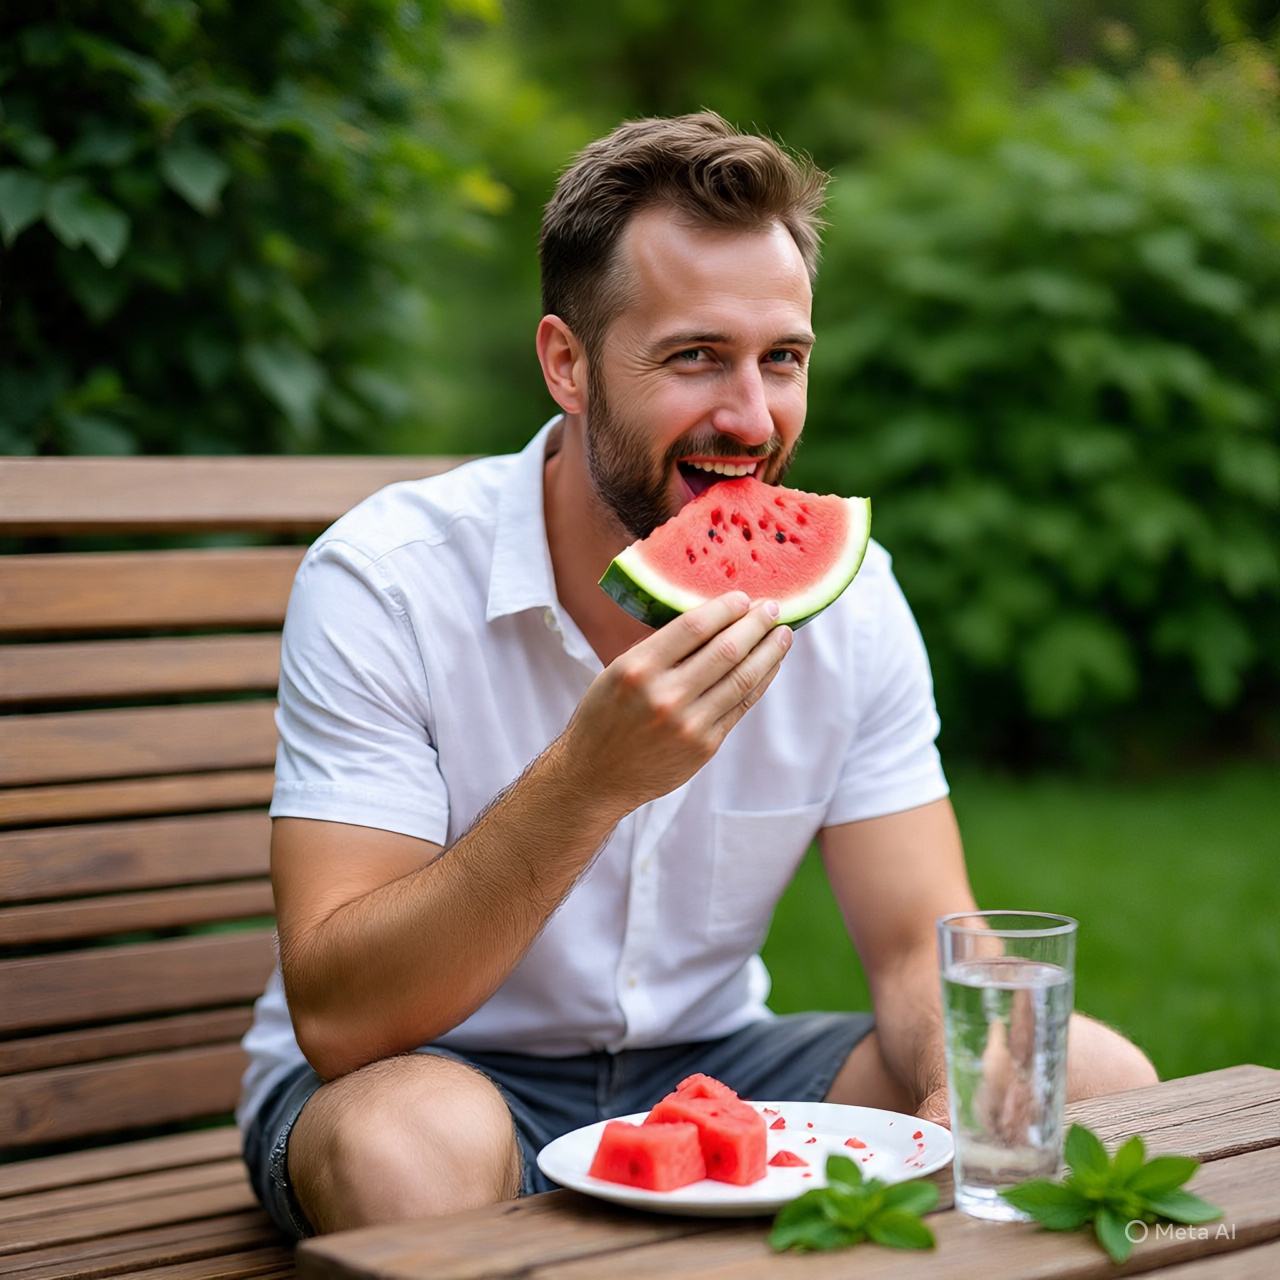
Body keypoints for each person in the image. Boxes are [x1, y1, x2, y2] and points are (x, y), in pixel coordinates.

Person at [237, 112, 1156, 1239]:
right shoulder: (385, 580)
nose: (752, 416)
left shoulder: (851, 600)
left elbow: (922, 933)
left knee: (1089, 1076)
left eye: (782, 358)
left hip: (718, 1067)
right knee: (402, 1150)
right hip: (426, 1066)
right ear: (565, 363)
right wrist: (584, 779)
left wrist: (961, 1088)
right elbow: (341, 1013)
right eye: (693, 357)